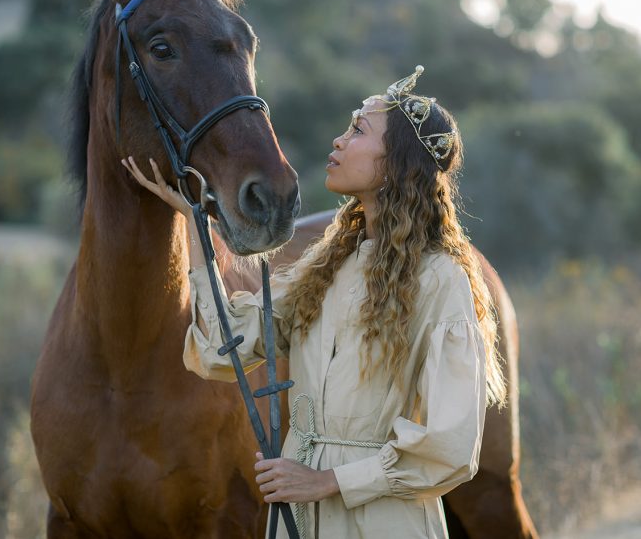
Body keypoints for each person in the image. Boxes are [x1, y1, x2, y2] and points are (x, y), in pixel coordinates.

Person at [122, 66, 506, 538]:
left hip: (380, 519)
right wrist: (196, 223)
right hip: (299, 513)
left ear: (398, 162)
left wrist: (327, 481)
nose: (340, 140)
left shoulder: (440, 277)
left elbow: (450, 445)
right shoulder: (325, 265)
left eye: (358, 130)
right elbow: (227, 348)